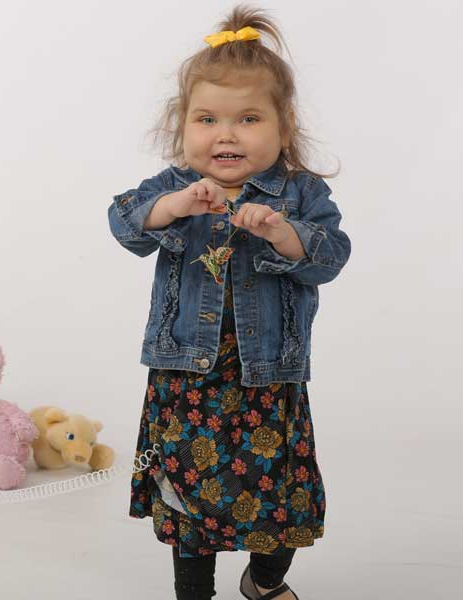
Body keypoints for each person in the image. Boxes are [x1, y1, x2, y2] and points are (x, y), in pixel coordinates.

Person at [107, 5, 351, 599]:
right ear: (182, 126)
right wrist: (173, 208)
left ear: (282, 127)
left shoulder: (299, 193)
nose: (226, 134)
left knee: (284, 495)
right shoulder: (173, 187)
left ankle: (264, 579)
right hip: (186, 377)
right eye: (207, 118)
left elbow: (332, 256)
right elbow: (125, 225)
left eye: (247, 118)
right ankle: (195, 592)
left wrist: (282, 233)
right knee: (189, 503)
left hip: (266, 379)